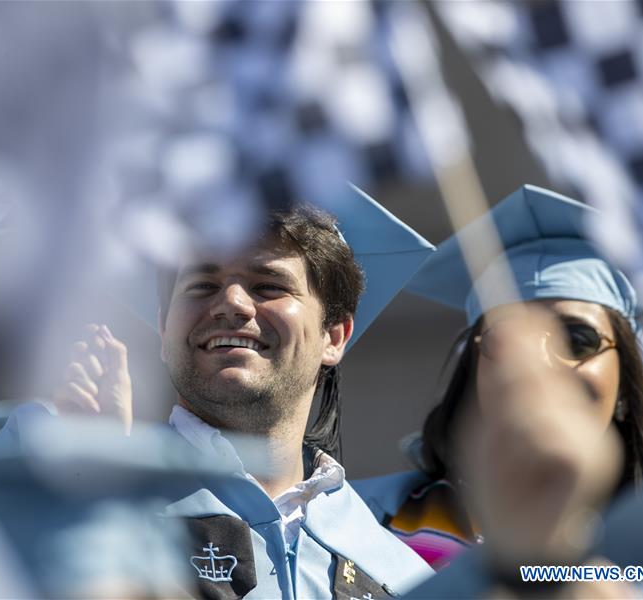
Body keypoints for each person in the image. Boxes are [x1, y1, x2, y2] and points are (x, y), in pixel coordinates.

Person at [55, 186, 438, 598]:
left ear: (334, 335)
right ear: (165, 330)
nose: (232, 303)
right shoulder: (87, 510)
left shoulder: (402, 578)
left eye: (268, 285)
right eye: (202, 285)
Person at [353, 185, 643, 571]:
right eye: (509, 339)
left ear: (626, 390)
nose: (540, 363)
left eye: (578, 338)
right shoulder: (355, 523)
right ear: (474, 376)